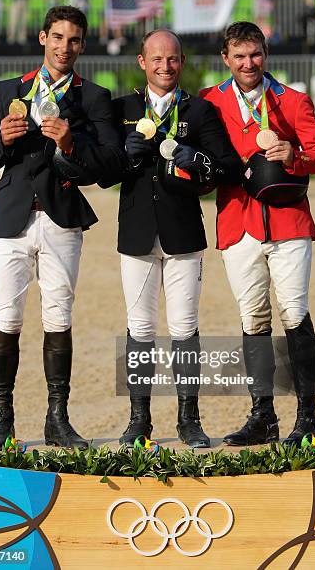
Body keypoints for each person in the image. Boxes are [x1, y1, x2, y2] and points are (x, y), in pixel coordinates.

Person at [0, 5, 125, 450]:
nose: (66, 47)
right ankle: (2, 421)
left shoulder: (95, 97)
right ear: (43, 38)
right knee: (7, 320)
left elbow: (108, 166)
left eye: (75, 39)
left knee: (58, 320)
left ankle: (56, 420)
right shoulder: (10, 89)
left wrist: (69, 142)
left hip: (62, 217)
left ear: (83, 45)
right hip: (12, 217)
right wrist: (2, 139)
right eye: (58, 37)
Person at [100, 29, 242, 448]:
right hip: (137, 232)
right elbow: (103, 174)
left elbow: (229, 166)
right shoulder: (121, 108)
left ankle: (189, 420)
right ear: (142, 62)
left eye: (173, 59)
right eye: (157, 59)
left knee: (184, 327)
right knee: (139, 327)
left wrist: (199, 160)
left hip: (183, 232)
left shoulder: (198, 111)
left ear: (182, 62)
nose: (166, 66)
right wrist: (124, 158)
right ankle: (139, 421)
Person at [200, 21, 315, 446]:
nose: (248, 63)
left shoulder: (292, 101)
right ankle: (263, 416)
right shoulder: (210, 102)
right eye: (239, 56)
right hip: (237, 223)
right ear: (226, 59)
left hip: (288, 223)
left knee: (294, 312)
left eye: (255, 54)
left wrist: (294, 155)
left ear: (266, 53)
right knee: (253, 319)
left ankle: (308, 419)